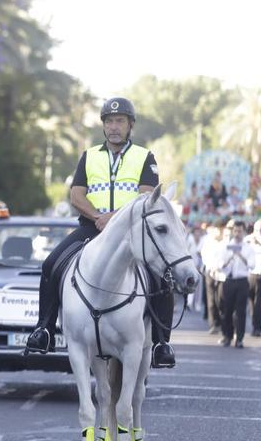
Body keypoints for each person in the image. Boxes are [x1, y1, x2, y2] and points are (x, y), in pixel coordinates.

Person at [24, 97, 177, 368]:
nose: (114, 127)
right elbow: (76, 194)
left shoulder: (144, 157)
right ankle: (44, 329)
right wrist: (97, 217)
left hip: (129, 233)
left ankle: (161, 343)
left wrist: (114, 218)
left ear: (130, 125)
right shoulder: (89, 155)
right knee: (51, 264)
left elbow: (145, 197)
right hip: (91, 227)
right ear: (103, 126)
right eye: (109, 122)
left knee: (160, 275)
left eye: (119, 121)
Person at [216, 220, 254, 348]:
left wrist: (241, 256)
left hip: (242, 281)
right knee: (227, 310)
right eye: (236, 231)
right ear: (233, 231)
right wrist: (229, 258)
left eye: (240, 231)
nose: (237, 234)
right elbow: (220, 264)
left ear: (244, 232)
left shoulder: (248, 248)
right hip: (229, 281)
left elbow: (252, 265)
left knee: (241, 311)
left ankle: (240, 339)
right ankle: (227, 336)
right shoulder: (226, 246)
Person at [248, 220, 261, 337]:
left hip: (260, 274)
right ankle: (255, 323)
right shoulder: (248, 240)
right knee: (252, 301)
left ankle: (256, 327)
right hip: (250, 275)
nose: (259, 232)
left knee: (259, 302)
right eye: (257, 229)